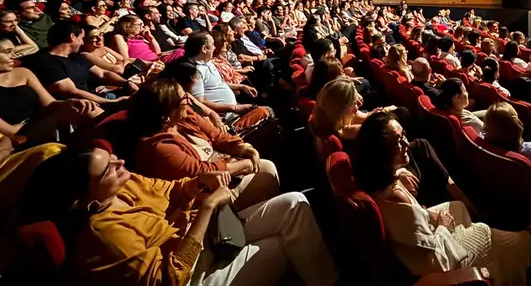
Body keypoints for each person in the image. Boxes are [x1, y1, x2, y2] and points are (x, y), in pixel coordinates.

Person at [20, 145, 338, 286]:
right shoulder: (104, 236)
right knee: (282, 246)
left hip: (207, 238)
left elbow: (171, 189)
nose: (120, 164)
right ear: (84, 200)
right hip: (190, 274)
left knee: (294, 203)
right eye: (108, 169)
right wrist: (209, 207)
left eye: (114, 157)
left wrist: (200, 185)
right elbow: (170, 278)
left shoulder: (124, 186)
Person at [350, 111, 531, 286]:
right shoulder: (394, 196)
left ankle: (486, 264)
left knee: (457, 207)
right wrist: (443, 227)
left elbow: (413, 224)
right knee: (483, 232)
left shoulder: (380, 177)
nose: (406, 143)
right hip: (435, 262)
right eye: (397, 141)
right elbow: (432, 256)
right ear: (381, 152)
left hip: (422, 242)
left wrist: (400, 173)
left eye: (404, 136)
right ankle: (526, 238)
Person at [131, 79, 278, 211]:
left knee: (266, 167)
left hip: (224, 166)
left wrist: (244, 148)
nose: (189, 100)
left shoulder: (185, 116)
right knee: (267, 171)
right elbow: (199, 172)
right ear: (167, 113)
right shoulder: (157, 147)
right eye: (183, 98)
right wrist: (244, 165)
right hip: (205, 192)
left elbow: (216, 135)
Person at [0, 35, 102, 144]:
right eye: (7, 52)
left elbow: (50, 103)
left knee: (87, 108)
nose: (13, 56)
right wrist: (45, 121)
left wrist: (70, 103)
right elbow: (9, 131)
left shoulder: (23, 73)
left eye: (13, 51)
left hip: (43, 121)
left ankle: (107, 145)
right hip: (21, 134)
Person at [23, 22, 134, 104]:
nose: (82, 42)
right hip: (77, 106)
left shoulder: (75, 56)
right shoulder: (45, 61)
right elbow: (71, 91)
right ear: (72, 37)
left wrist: (127, 84)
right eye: (81, 38)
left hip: (97, 98)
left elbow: (103, 74)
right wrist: (111, 102)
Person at [184, 32, 270, 127]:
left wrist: (241, 86)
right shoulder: (195, 72)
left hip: (235, 109)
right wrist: (234, 108)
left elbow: (219, 83)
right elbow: (199, 103)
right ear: (204, 49)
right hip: (226, 119)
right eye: (212, 45)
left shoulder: (208, 62)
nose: (215, 47)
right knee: (267, 112)